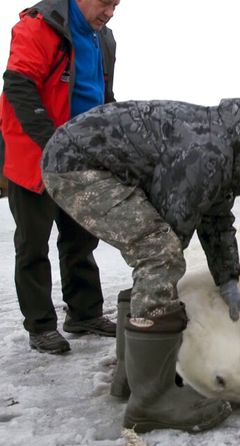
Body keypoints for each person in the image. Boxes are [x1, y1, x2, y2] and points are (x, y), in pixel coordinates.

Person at [40, 98, 240, 433]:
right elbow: (170, 231)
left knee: (157, 256)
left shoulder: (229, 151)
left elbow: (216, 218)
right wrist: (163, 292)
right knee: (160, 254)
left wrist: (228, 278)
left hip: (95, 163)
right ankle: (152, 399)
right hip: (76, 166)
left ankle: (130, 376)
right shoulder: (208, 154)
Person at [1, 0, 121, 354]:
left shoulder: (104, 39)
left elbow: (102, 94)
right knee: (33, 244)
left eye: (116, 5)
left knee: (80, 239)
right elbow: (19, 86)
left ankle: (84, 314)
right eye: (105, 3)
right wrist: (53, 143)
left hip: (82, 157)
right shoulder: (39, 27)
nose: (110, 12)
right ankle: (40, 326)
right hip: (33, 154)